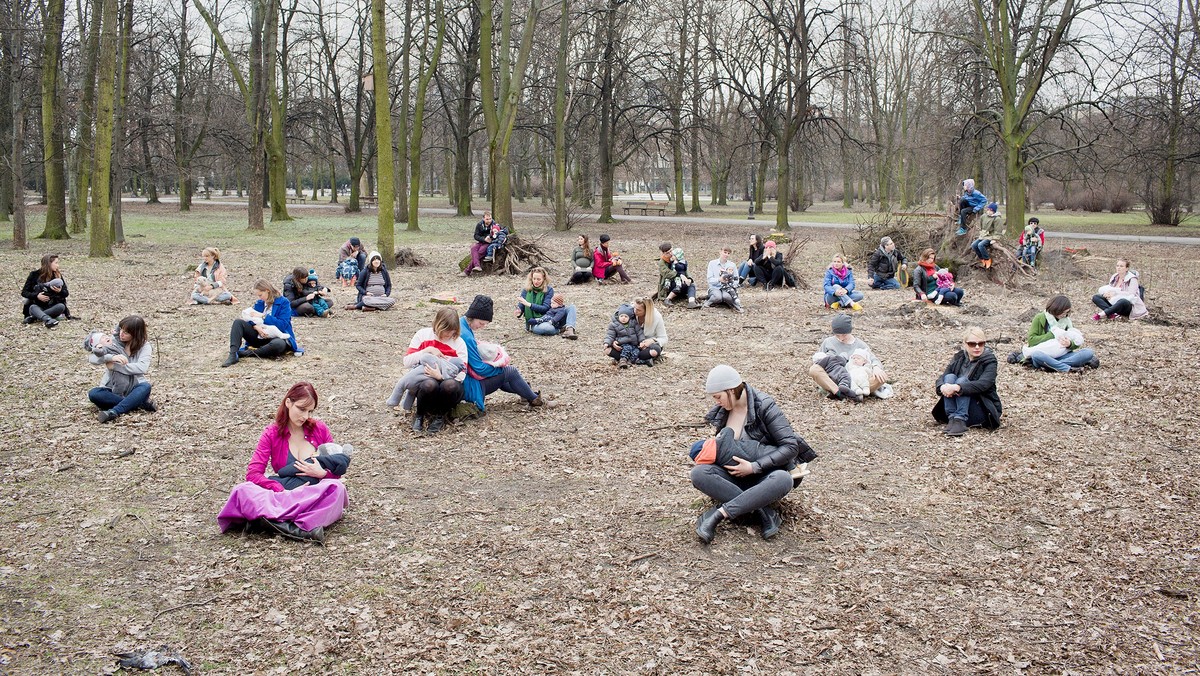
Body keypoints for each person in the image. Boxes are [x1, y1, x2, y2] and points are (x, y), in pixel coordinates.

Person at [689, 365, 817, 543]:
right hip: (734, 476)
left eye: (718, 397)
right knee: (699, 473)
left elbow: (790, 446)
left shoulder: (764, 405)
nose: (716, 402)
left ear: (731, 390)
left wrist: (754, 467)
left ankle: (720, 514)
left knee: (783, 480)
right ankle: (762, 511)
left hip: (764, 475)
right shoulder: (723, 411)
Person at [216, 382, 349, 544]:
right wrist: (280, 490)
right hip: (283, 494)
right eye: (301, 409)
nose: (305, 416)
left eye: (310, 411)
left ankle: (271, 521)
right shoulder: (271, 433)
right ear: (288, 403)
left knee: (338, 490)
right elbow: (253, 474)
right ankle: (295, 526)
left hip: (311, 494)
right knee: (242, 490)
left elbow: (336, 469)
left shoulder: (320, 429)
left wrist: (322, 474)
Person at [459, 295, 544, 413]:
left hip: (465, 379)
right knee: (510, 371)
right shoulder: (466, 337)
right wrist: (500, 366)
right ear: (472, 316)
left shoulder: (461, 323)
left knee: (504, 377)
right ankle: (535, 399)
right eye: (481, 323)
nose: (482, 327)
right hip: (470, 385)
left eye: (485, 324)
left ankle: (526, 391)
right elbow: (479, 369)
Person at [390, 307, 468, 434]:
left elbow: (462, 374)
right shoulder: (423, 335)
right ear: (437, 325)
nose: (447, 336)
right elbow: (407, 361)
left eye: (451, 332)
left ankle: (440, 416)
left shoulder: (459, 343)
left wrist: (441, 376)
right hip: (426, 384)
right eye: (444, 332)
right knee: (429, 383)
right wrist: (427, 350)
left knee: (449, 385)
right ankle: (419, 415)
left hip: (448, 387)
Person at [933, 326, 1001, 436]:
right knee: (950, 377)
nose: (977, 347)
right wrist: (942, 387)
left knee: (962, 380)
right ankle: (952, 418)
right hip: (958, 405)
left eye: (981, 343)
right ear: (965, 344)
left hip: (982, 408)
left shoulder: (990, 361)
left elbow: (984, 384)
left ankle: (959, 418)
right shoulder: (959, 357)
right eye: (972, 344)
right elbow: (943, 376)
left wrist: (957, 387)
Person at [807, 313, 893, 399]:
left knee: (881, 377)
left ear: (849, 331)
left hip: (856, 378)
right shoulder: (828, 342)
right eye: (837, 335)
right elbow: (818, 361)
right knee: (814, 369)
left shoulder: (860, 344)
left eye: (844, 335)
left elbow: (873, 359)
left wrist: (876, 367)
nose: (841, 338)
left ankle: (851, 392)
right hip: (834, 378)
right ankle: (839, 392)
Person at [87, 315, 156, 423]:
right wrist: (111, 358)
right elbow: (93, 358)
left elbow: (142, 367)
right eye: (121, 330)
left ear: (135, 334)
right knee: (94, 394)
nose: (121, 334)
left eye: (126, 332)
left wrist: (116, 366)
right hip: (113, 387)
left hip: (134, 387)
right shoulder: (115, 340)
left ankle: (114, 411)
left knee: (146, 386)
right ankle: (138, 404)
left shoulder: (145, 346)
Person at [1011, 295, 1099, 372]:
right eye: (1063, 312)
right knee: (1036, 355)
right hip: (1044, 354)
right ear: (1055, 309)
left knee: (1088, 353)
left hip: (1062, 355)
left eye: (1067, 312)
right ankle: (1065, 368)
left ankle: (1052, 366)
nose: (1065, 315)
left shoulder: (1066, 321)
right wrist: (1053, 334)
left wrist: (1069, 344)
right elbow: (1031, 341)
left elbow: (1075, 341)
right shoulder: (1040, 318)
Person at [222, 279, 299, 367]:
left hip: (276, 336)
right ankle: (233, 354)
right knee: (238, 322)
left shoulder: (283, 303)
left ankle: (248, 353)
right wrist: (256, 327)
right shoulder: (260, 303)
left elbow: (282, 325)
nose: (260, 298)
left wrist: (264, 316)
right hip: (260, 335)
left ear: (267, 291)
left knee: (278, 344)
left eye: (260, 295)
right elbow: (251, 319)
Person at [517, 267, 578, 339]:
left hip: (551, 316)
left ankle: (569, 330)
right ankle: (560, 330)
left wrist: (529, 304)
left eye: (538, 279)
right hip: (537, 322)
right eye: (534, 279)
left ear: (544, 279)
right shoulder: (526, 289)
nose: (536, 281)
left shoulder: (549, 290)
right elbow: (521, 304)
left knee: (571, 307)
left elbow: (545, 308)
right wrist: (519, 310)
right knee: (546, 328)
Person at [20, 253, 75, 328]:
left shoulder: (57, 276)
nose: (58, 265)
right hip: (36, 305)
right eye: (56, 263)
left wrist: (60, 291)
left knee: (61, 306)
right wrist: (37, 296)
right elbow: (24, 292)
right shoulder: (34, 275)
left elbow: (66, 293)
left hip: (51, 306)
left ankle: (34, 317)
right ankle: (48, 319)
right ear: (48, 264)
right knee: (33, 307)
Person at [657, 242, 699, 308]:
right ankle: (667, 299)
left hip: (679, 282)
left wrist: (689, 278)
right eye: (667, 253)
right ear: (663, 253)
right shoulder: (662, 262)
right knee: (681, 284)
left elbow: (685, 269)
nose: (670, 254)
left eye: (671, 251)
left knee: (691, 285)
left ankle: (691, 302)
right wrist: (680, 275)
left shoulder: (677, 257)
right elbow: (667, 273)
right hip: (668, 284)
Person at [705, 247, 744, 312]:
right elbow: (710, 279)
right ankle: (708, 302)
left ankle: (733, 305)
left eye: (728, 253)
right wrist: (719, 279)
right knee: (718, 297)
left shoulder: (732, 265)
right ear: (720, 252)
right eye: (725, 252)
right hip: (715, 287)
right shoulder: (712, 263)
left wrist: (731, 284)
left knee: (727, 297)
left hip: (728, 288)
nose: (726, 255)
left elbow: (736, 279)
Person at [464, 211, 502, 275]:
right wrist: (483, 239)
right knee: (473, 248)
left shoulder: (494, 226)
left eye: (490, 219)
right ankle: (477, 266)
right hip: (481, 242)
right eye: (487, 219)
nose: (489, 221)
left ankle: (467, 271)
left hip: (489, 243)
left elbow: (497, 235)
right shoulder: (479, 225)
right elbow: (476, 236)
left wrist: (490, 238)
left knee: (480, 252)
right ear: (483, 219)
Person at [632, 296, 667, 362]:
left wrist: (652, 340)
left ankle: (633, 358)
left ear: (646, 311)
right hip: (631, 342)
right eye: (634, 308)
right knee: (609, 350)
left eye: (639, 310)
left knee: (654, 351)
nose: (635, 311)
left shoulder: (656, 317)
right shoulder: (630, 312)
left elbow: (664, 338)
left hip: (647, 346)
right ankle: (641, 359)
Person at [971, 203, 1001, 268]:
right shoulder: (984, 216)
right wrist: (981, 233)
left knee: (980, 245)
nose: (989, 211)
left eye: (991, 210)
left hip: (990, 236)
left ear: (994, 211)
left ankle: (987, 259)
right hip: (983, 235)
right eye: (988, 209)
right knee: (974, 245)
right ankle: (982, 258)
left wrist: (995, 238)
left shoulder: (997, 218)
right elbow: (981, 226)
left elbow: (998, 230)